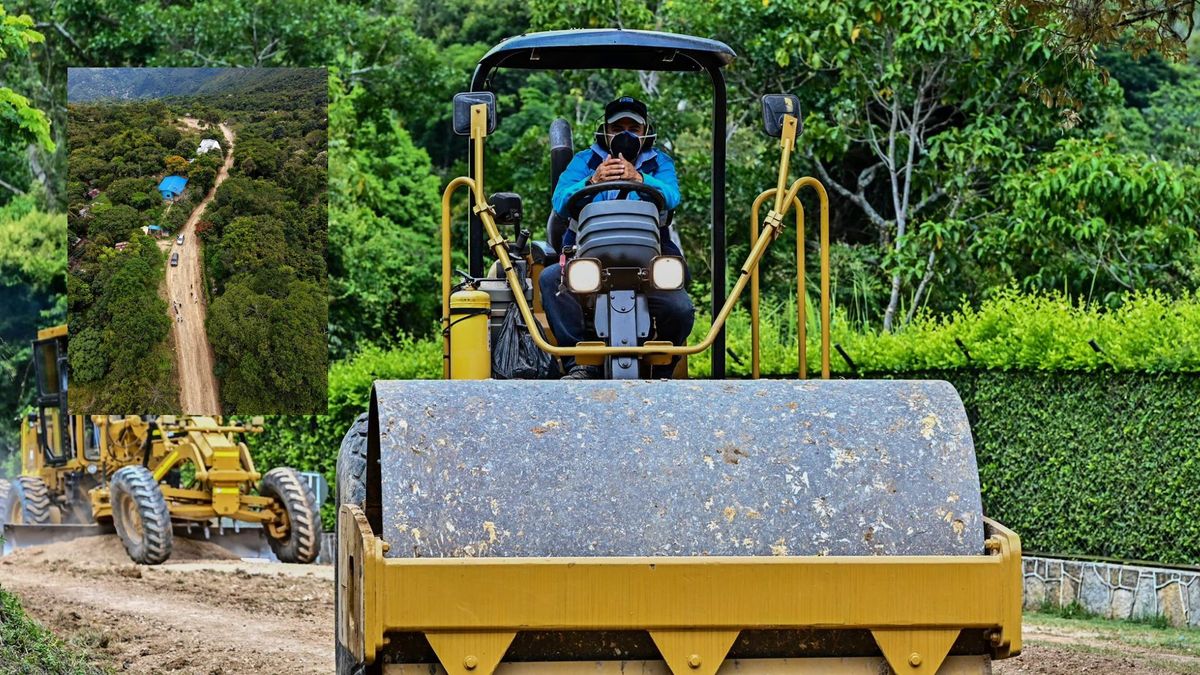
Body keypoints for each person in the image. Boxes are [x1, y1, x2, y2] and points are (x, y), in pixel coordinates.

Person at [540, 96, 694, 380]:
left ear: (645, 130)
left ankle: (663, 363)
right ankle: (580, 362)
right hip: (587, 253)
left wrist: (641, 179)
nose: (625, 134)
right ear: (605, 131)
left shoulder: (660, 163)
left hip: (649, 252)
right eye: (617, 127)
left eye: (632, 128)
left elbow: (672, 196)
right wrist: (592, 180)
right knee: (551, 280)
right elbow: (560, 200)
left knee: (680, 303)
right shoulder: (584, 161)